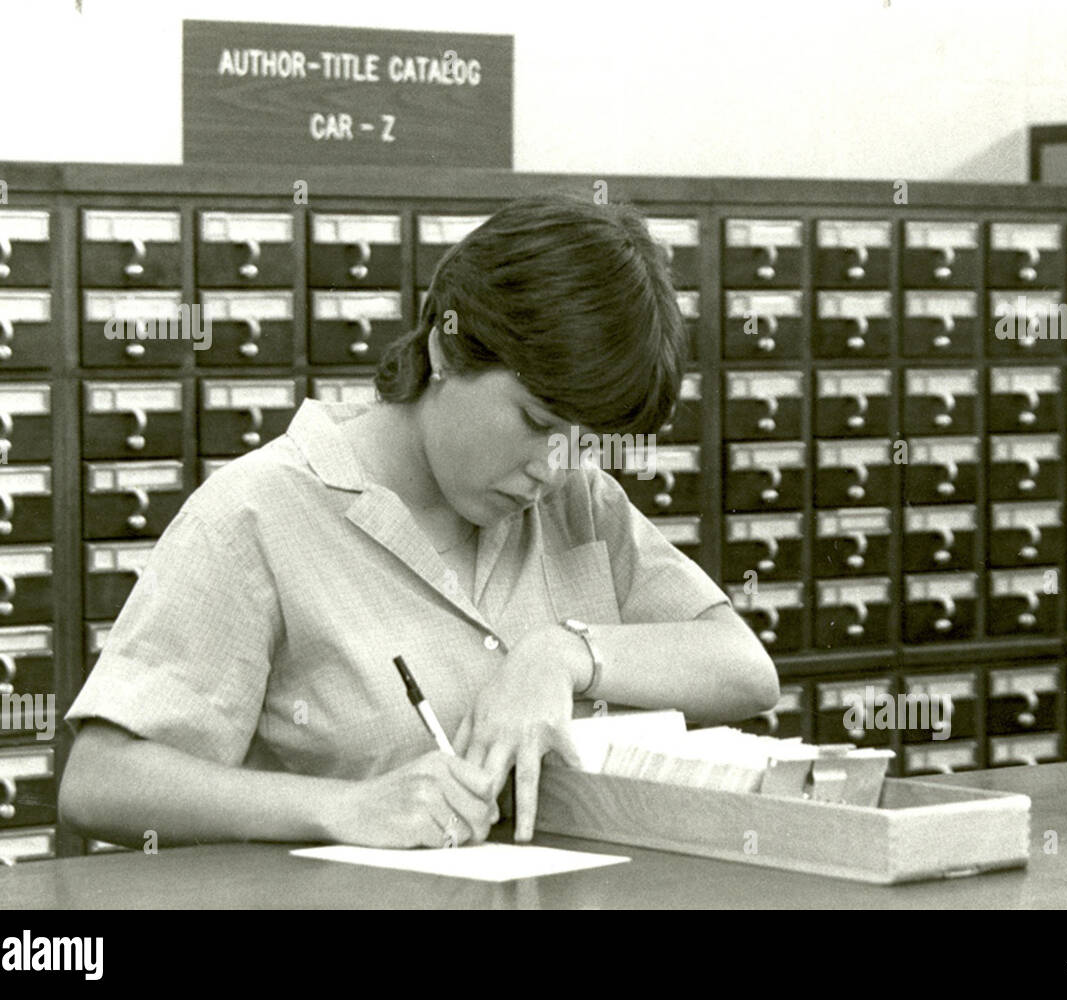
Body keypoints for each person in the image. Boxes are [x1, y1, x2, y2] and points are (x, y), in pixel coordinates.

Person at [59, 194, 779, 851]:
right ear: (446, 346)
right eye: (536, 421)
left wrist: (560, 655)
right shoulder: (259, 512)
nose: (554, 467)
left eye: (583, 441)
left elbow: (747, 672)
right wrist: (344, 808)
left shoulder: (575, 503)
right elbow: (100, 783)